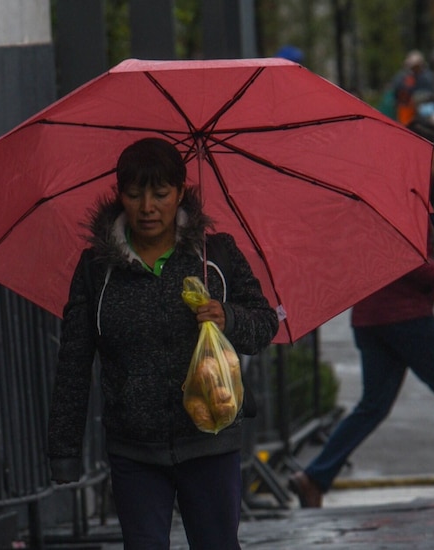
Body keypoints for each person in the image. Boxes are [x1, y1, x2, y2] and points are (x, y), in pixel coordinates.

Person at [47, 138, 278, 548]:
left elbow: (263, 325)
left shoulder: (215, 256)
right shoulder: (96, 270)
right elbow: (74, 361)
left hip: (210, 441)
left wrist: (229, 316)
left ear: (180, 192)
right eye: (134, 195)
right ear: (121, 196)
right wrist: (63, 448)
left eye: (160, 193)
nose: (147, 207)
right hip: (134, 449)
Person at [288, 122, 434, 508]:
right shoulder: (402, 196)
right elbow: (402, 261)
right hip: (399, 314)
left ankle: (314, 477)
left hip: (372, 316)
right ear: (421, 154)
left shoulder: (398, 191)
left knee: (373, 404)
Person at [389, 50, 434, 126]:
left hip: (426, 108)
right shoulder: (403, 77)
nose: (415, 69)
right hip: (407, 110)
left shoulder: (428, 76)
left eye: (416, 66)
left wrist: (418, 98)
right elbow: (397, 92)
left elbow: (433, 93)